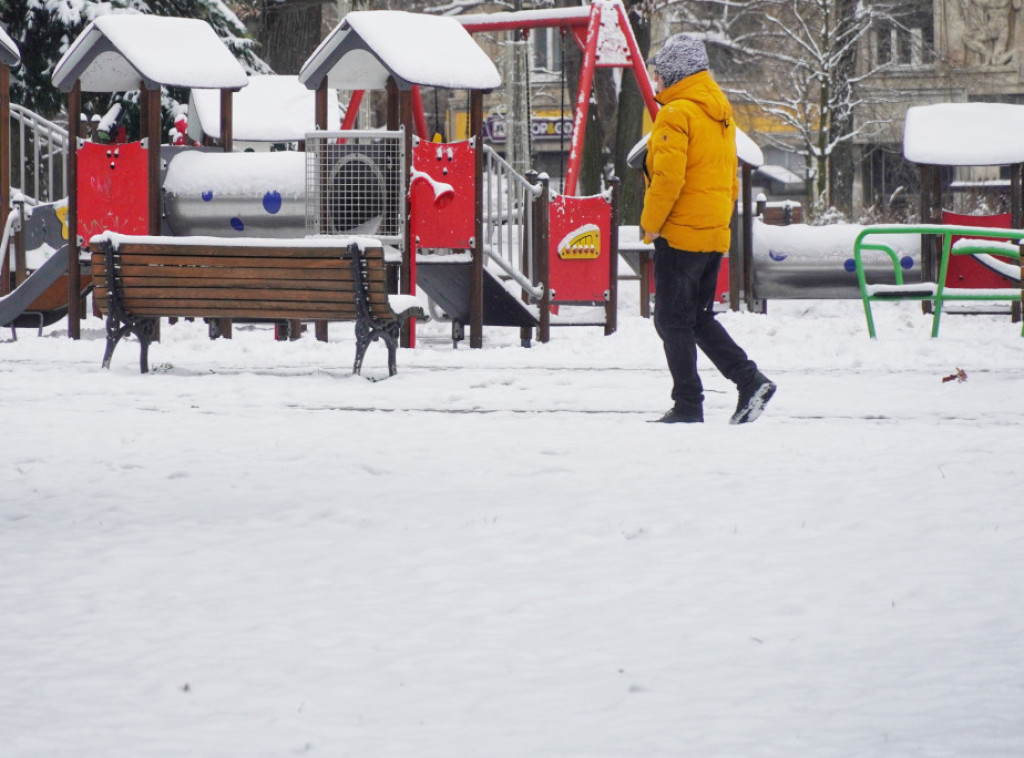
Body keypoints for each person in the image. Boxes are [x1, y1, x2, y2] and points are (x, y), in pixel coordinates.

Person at [640, 33, 776, 424]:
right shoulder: (719, 112)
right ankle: (749, 382)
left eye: (659, 74)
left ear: (676, 74)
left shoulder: (677, 112)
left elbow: (667, 178)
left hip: (681, 233)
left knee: (671, 319)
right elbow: (730, 179)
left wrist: (651, 225)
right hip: (713, 232)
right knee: (695, 317)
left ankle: (688, 405)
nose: (656, 82)